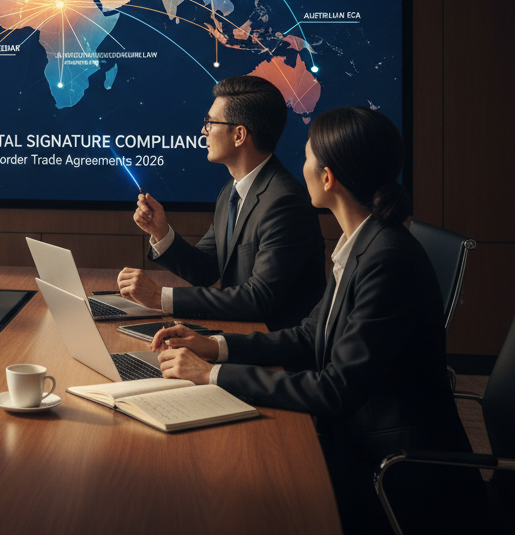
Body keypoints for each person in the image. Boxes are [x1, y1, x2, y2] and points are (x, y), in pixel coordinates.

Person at [152, 107, 483, 534]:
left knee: (236, 497)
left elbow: (334, 390)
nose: (300, 167)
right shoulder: (365, 240)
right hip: (360, 441)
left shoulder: (387, 259)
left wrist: (212, 375)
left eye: (307, 157)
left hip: (397, 474)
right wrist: (214, 345)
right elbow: (312, 335)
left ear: (328, 178)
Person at [118, 75, 325, 330]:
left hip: (275, 354)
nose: (203, 130)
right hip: (239, 333)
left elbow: (259, 299)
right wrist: (160, 232)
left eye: (210, 122)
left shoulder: (285, 203)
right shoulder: (231, 190)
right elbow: (204, 270)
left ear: (239, 135)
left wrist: (159, 297)